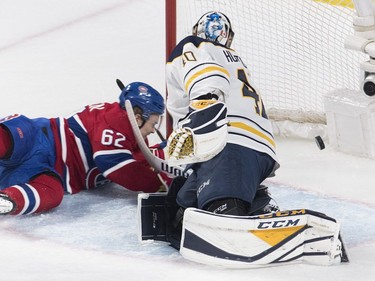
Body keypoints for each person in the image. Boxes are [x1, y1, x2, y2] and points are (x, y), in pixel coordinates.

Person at [165, 11, 280, 218]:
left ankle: (235, 214)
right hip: (260, 150)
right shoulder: (235, 60)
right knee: (183, 205)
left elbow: (207, 77)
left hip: (227, 143)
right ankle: (257, 203)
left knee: (222, 212)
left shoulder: (193, 45)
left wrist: (206, 111)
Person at [0, 81, 170, 215]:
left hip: (47, 172)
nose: (154, 130)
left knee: (52, 193)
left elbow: (146, 162)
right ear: (138, 117)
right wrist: (159, 185)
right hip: (41, 139)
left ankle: (7, 200)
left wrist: (168, 170)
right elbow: (116, 166)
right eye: (153, 123)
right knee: (13, 135)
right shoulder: (115, 120)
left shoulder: (135, 144)